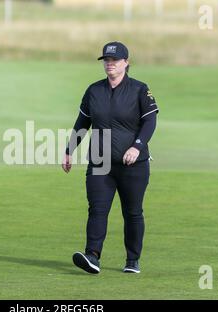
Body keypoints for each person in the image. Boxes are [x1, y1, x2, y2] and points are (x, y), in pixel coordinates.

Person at [62, 41, 159, 274]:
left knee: (132, 212)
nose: (110, 64)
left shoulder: (140, 89)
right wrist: (69, 150)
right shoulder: (94, 90)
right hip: (100, 160)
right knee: (97, 209)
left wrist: (137, 147)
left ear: (126, 63)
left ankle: (132, 260)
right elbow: (82, 123)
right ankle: (92, 256)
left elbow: (150, 121)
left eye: (115, 60)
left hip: (133, 164)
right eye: (106, 60)